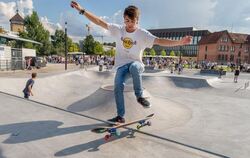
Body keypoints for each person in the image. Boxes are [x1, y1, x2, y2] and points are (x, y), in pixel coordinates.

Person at [71, 1, 192, 123]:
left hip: (137, 64)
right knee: (117, 86)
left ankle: (139, 96)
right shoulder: (118, 30)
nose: (129, 24)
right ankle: (120, 116)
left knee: (134, 66)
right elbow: (99, 22)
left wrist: (179, 42)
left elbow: (160, 41)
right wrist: (82, 10)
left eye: (132, 21)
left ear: (137, 21)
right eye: (127, 21)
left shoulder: (142, 34)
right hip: (122, 66)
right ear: (124, 19)